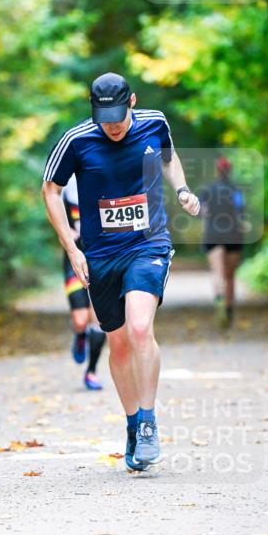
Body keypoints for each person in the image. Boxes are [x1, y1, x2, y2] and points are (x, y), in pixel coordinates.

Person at [42, 72, 200, 472]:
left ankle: (148, 423)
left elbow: (169, 157)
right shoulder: (77, 140)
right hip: (100, 254)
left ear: (132, 101)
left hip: (148, 244)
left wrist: (181, 189)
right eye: (103, 117)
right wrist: (70, 247)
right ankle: (132, 424)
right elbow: (50, 189)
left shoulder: (154, 122)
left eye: (117, 115)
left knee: (140, 328)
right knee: (119, 343)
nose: (111, 125)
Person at [62, 174, 106, 390]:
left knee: (99, 319)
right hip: (75, 258)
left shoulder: (106, 177)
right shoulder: (65, 182)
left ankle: (91, 371)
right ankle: (80, 334)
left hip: (102, 257)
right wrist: (66, 231)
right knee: (81, 320)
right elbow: (52, 209)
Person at [200, 155, 245, 328]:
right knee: (230, 276)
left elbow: (202, 211)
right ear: (230, 170)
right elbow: (241, 211)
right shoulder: (236, 190)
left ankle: (219, 299)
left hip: (213, 235)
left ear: (218, 170)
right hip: (234, 235)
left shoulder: (208, 190)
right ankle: (229, 308)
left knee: (218, 273)